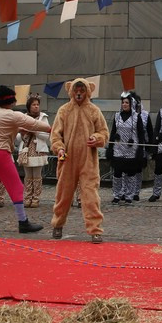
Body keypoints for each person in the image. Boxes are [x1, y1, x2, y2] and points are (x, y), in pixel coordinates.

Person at [0, 85, 51, 233]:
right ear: (9, 102)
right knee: (16, 187)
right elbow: (34, 124)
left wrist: (16, 129)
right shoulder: (12, 115)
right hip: (0, 155)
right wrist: (53, 129)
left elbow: (1, 128)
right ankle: (23, 221)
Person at [50, 78, 108, 243]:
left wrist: (97, 138)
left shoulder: (94, 111)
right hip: (67, 160)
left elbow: (104, 132)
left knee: (91, 196)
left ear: (87, 91)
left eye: (82, 91)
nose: (79, 94)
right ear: (72, 91)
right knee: (63, 194)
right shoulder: (64, 110)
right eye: (77, 91)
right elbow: (55, 135)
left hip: (88, 161)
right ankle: (57, 224)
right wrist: (59, 147)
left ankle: (95, 229)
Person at [107, 91, 148, 205]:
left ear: (131, 104)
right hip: (118, 149)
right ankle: (117, 194)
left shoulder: (136, 117)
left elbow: (140, 134)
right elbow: (113, 132)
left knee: (131, 174)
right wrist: (110, 148)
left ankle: (129, 195)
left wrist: (140, 150)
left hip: (131, 150)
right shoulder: (117, 116)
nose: (124, 104)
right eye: (123, 102)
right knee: (117, 174)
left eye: (127, 103)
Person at [16, 94, 51, 208]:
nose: (36, 107)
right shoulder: (23, 117)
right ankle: (27, 197)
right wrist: (22, 133)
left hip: (38, 149)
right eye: (33, 105)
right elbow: (17, 137)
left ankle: (36, 198)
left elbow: (47, 135)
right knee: (28, 175)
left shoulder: (43, 118)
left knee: (36, 175)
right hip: (26, 149)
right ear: (29, 106)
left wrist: (35, 132)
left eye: (37, 105)